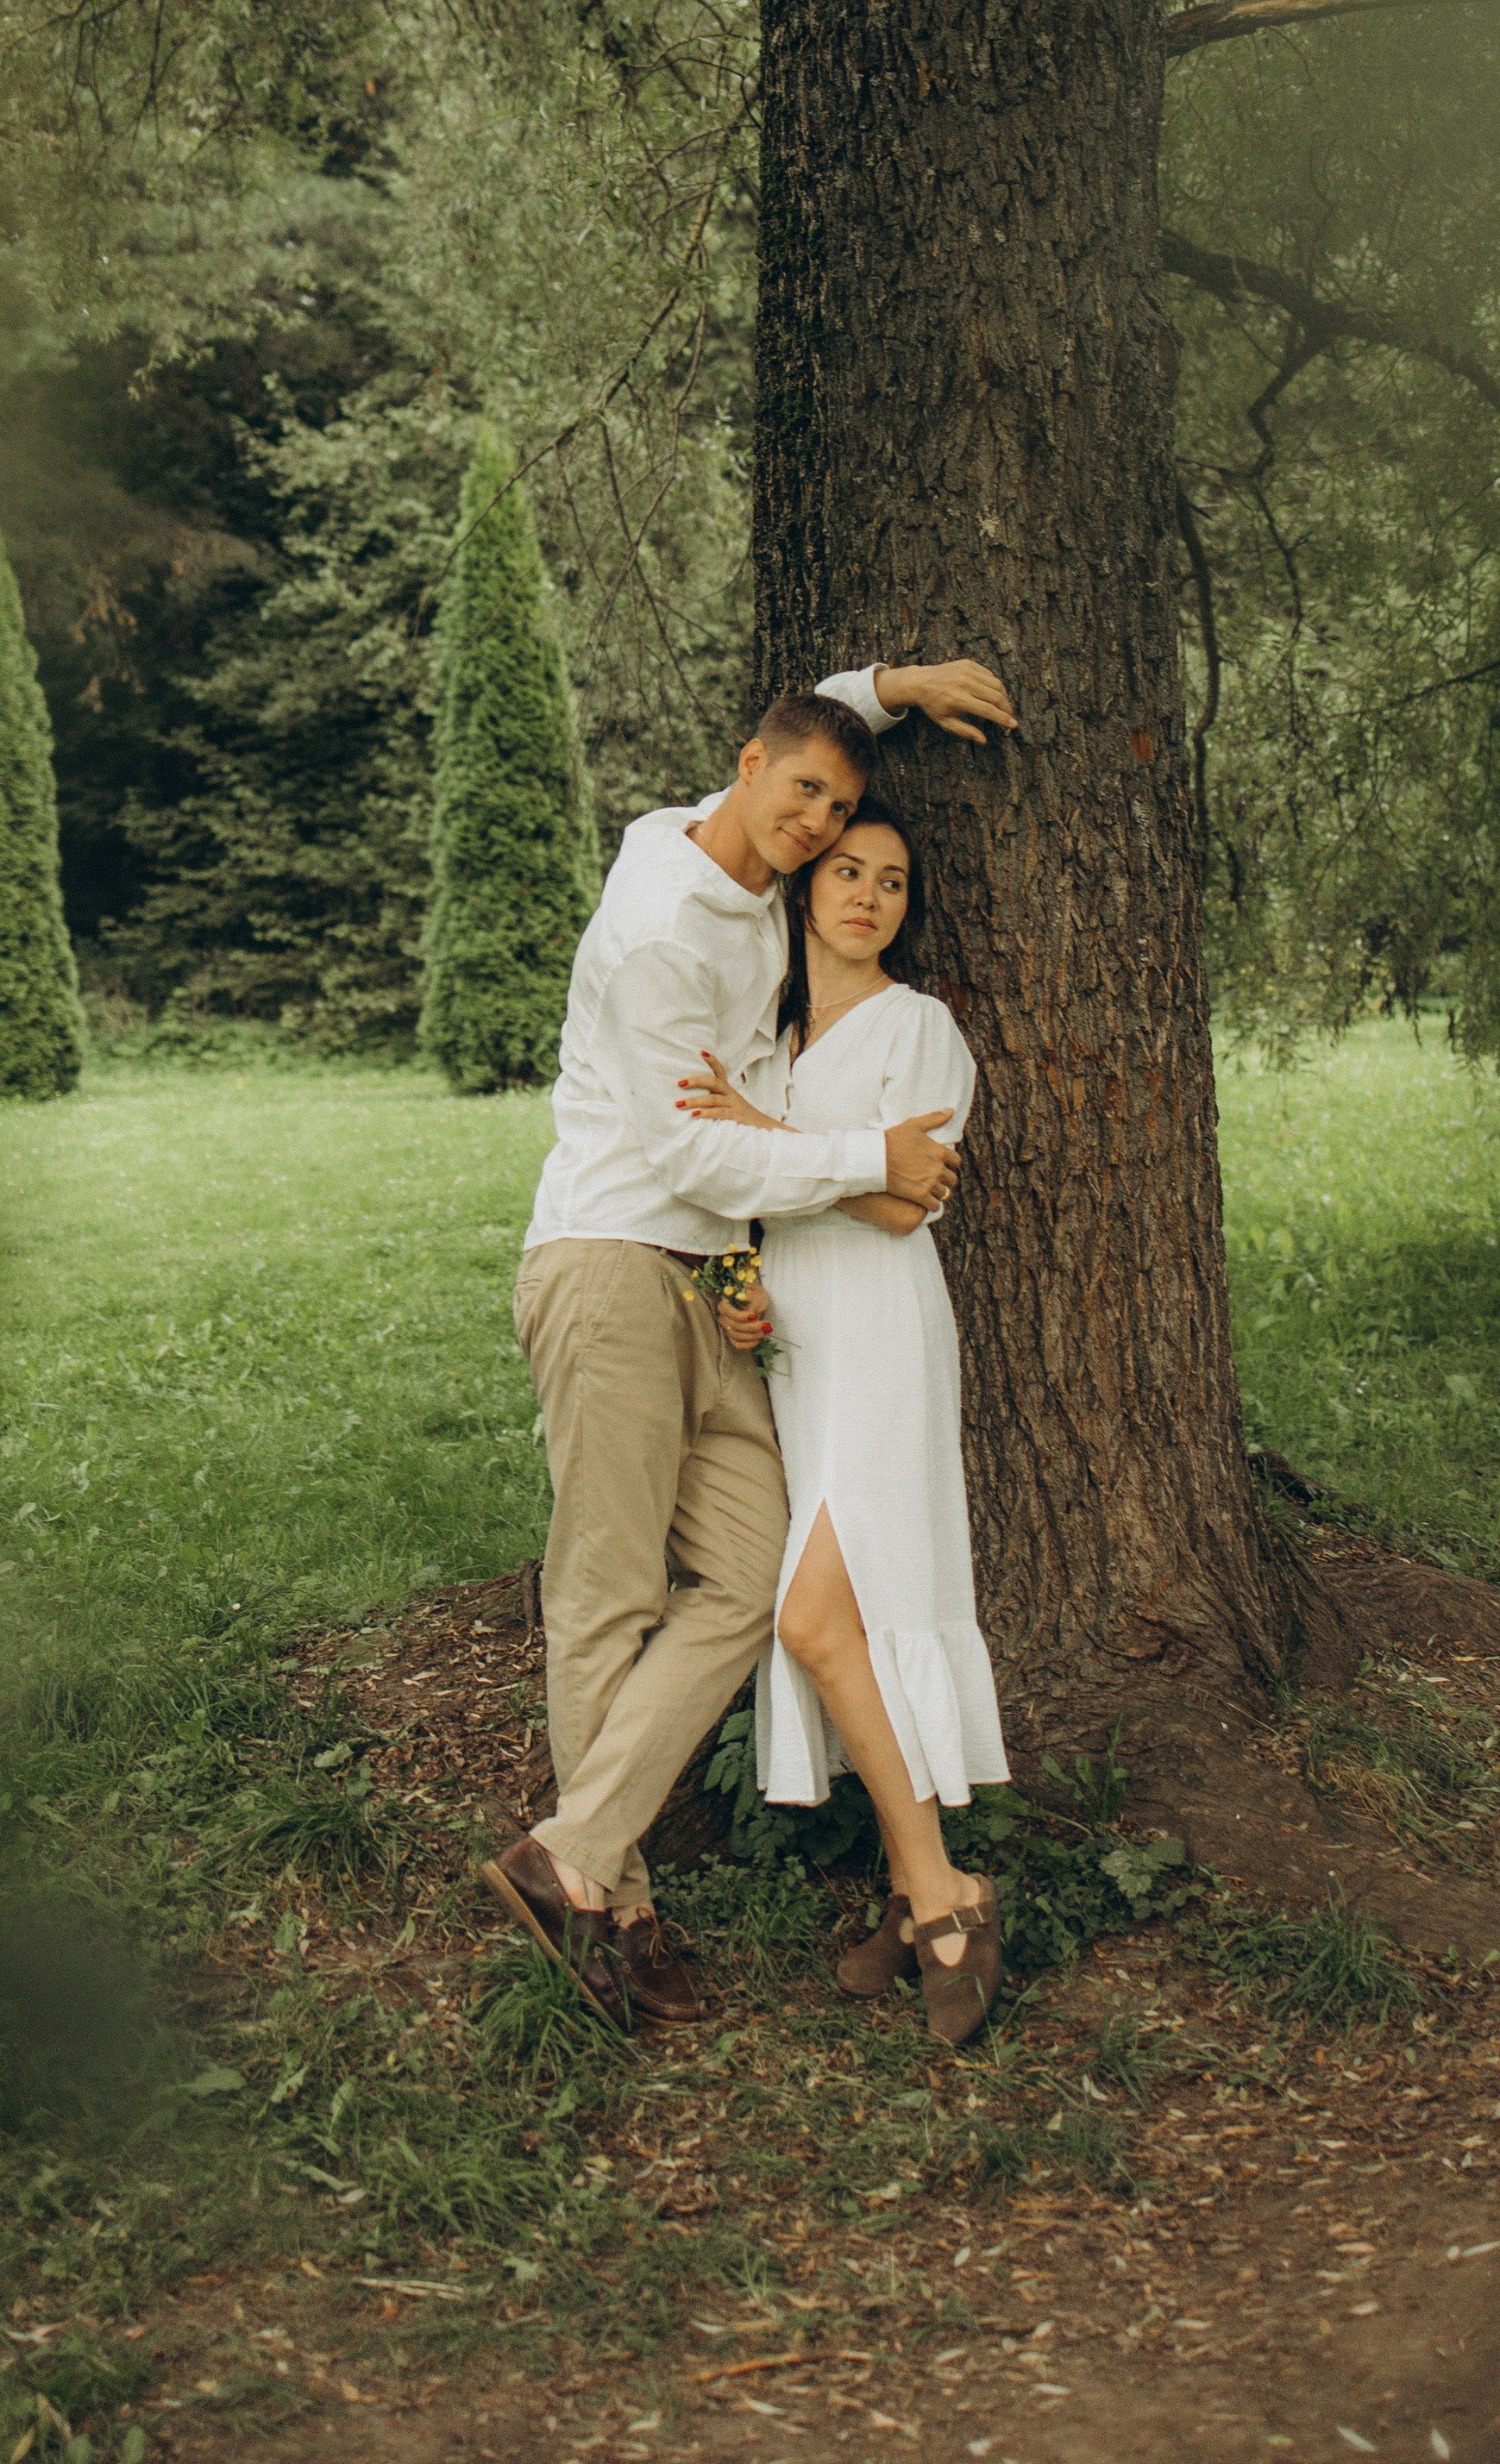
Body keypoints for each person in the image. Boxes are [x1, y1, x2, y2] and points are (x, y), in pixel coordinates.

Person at [484, 659, 1018, 2028]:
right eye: (804, 803)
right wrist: (862, 1156)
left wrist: (892, 688)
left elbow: (814, 726)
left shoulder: (685, 838)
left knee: (739, 1579)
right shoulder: (665, 924)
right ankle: (615, 1910)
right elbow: (686, 1149)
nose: (815, 829)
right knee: (607, 1591)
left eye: (835, 811)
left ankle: (574, 1853)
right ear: (741, 769)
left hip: (722, 1291)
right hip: (614, 1260)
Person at [676, 794, 1007, 2048]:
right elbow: (737, 1209)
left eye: (894, 881)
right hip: (798, 1354)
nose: (868, 895)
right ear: (806, 887)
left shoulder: (921, 1031)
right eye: (848, 872)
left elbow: (897, 1206)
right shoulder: (765, 1042)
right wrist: (734, 1296)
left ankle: (944, 1897)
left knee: (815, 1620)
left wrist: (764, 1136)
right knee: (847, 1626)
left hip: (882, 1335)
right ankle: (918, 1884)